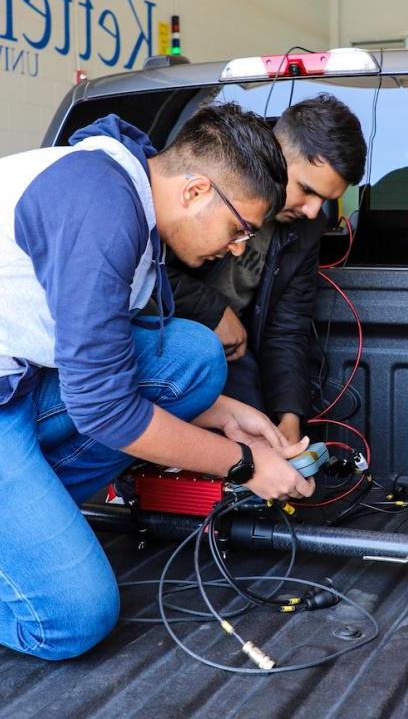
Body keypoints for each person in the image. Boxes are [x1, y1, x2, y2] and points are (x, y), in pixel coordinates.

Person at [0, 104, 316, 661]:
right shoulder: (100, 210)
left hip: (16, 383)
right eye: (239, 229)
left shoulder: (130, 190)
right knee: (74, 618)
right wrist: (241, 463)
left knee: (193, 357)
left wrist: (222, 411)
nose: (240, 248)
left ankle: (30, 529)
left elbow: (107, 361)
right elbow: (104, 408)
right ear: (195, 191)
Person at [168, 95, 367, 444]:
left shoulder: (305, 228)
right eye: (306, 190)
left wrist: (289, 416)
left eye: (326, 200)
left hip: (235, 352)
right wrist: (214, 311)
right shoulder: (205, 185)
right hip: (170, 346)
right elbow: (142, 277)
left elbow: (287, 326)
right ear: (274, 153)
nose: (312, 211)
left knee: (263, 440)